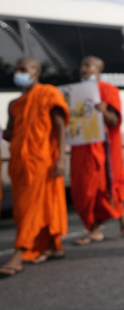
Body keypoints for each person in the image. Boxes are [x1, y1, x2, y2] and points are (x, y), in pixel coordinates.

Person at [0, 58, 69, 278]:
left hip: (42, 160)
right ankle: (51, 246)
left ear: (36, 71)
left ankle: (19, 254)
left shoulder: (48, 94)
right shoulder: (14, 103)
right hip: (19, 163)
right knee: (22, 210)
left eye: (23, 69)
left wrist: (61, 159)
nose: (18, 73)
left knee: (31, 208)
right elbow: (11, 134)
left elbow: (59, 127)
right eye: (17, 69)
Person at [72, 56, 124, 245]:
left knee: (102, 188)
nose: (84, 68)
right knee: (82, 189)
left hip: (103, 148)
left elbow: (114, 120)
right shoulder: (76, 91)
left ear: (99, 70)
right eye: (82, 64)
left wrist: (103, 111)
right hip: (82, 147)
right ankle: (101, 227)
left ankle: (110, 222)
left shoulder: (108, 90)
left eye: (88, 65)